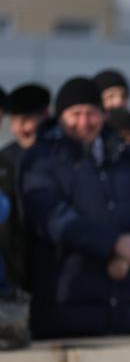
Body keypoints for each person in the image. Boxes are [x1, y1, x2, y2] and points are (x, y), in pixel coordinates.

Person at [19, 76, 130, 339]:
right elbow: (52, 218)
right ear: (60, 116)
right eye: (75, 114)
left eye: (91, 113)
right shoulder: (42, 158)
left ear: (102, 115)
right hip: (66, 310)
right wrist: (114, 245)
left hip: (125, 307)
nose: (84, 122)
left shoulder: (125, 155)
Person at [0, 83, 51, 291]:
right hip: (14, 269)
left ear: (45, 116)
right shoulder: (5, 159)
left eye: (26, 121)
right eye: (14, 121)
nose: (19, 129)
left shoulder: (62, 157)